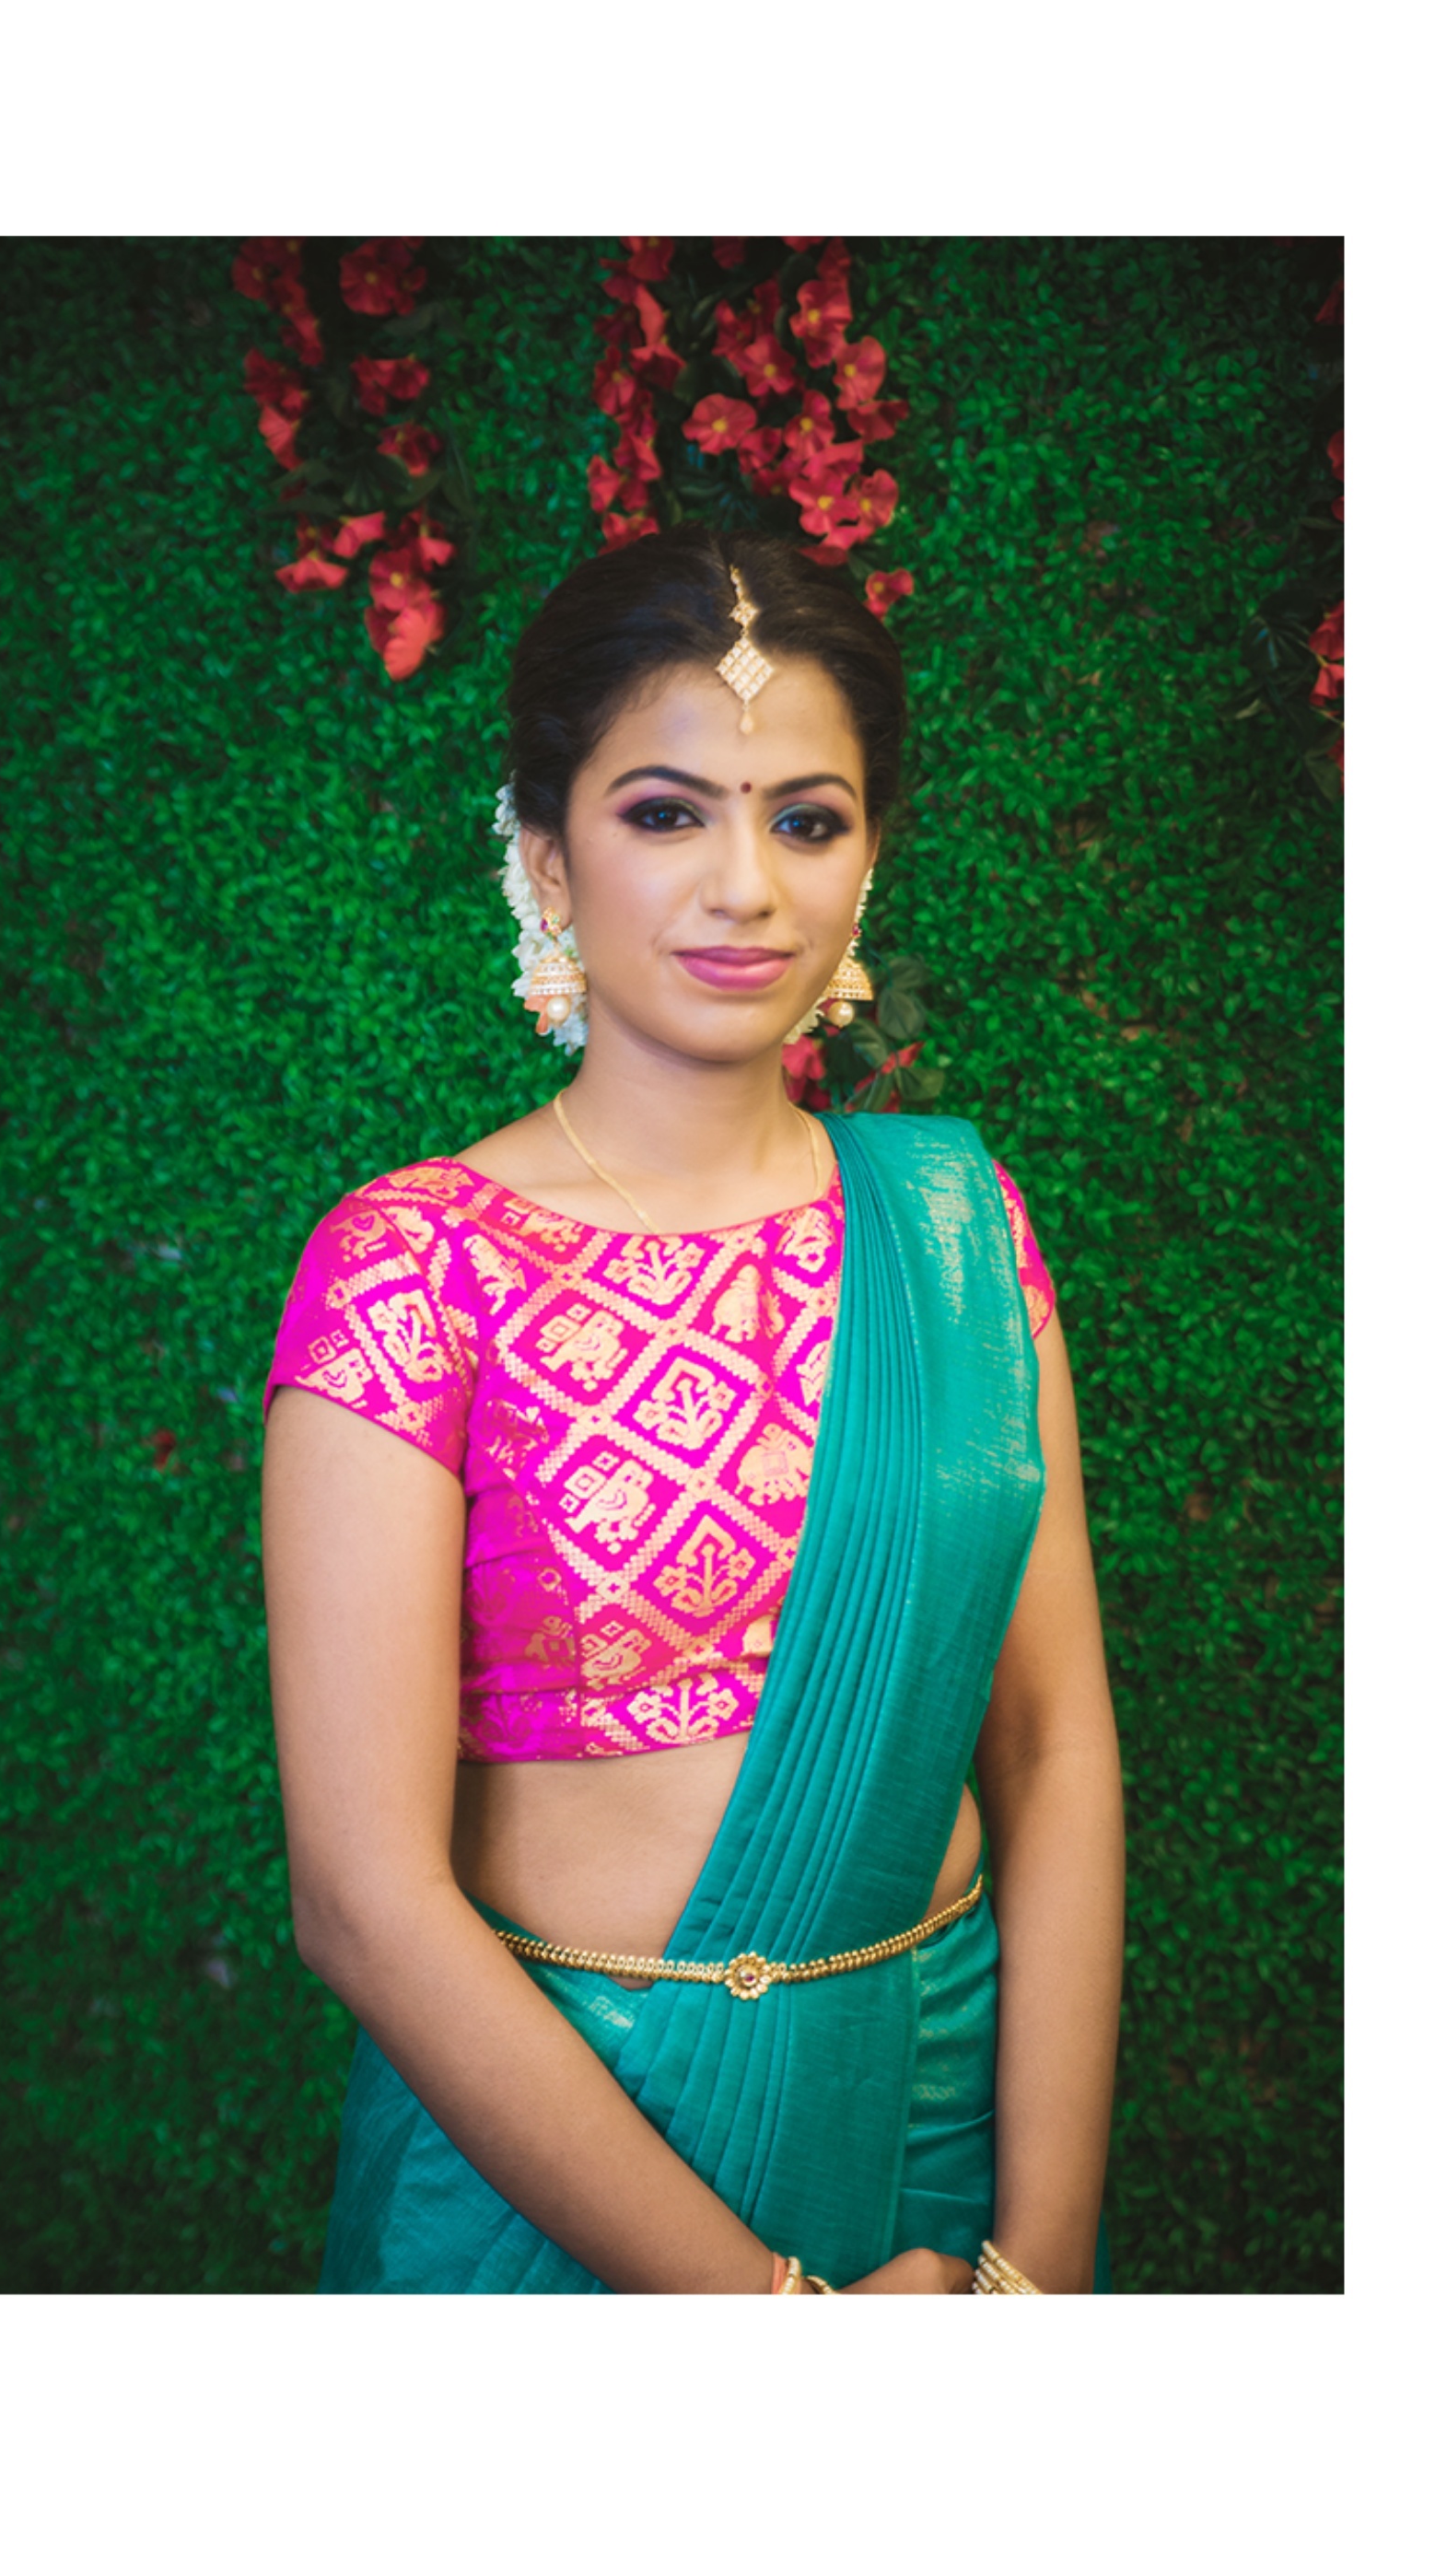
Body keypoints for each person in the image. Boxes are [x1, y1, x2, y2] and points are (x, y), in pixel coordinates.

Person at [260, 530, 1125, 2293]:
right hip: (557, 2157)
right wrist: (770, 2318)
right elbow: (359, 1898)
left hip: (936, 2129)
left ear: (868, 857)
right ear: (545, 855)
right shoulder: (415, 1266)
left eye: (806, 819)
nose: (745, 886)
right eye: (665, 814)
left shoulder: (956, 1230)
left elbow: (1050, 1747)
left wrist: (1033, 2265)